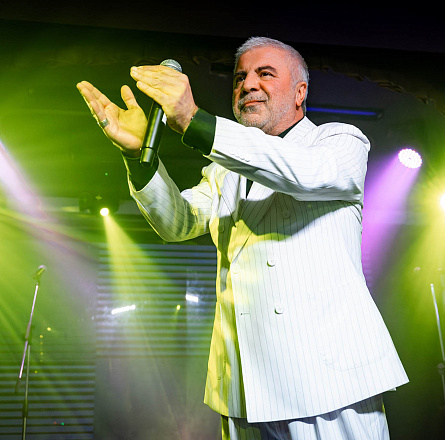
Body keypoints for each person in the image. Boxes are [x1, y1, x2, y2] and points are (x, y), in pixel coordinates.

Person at [77, 36, 408, 440]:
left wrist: (194, 120)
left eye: (265, 73)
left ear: (300, 92)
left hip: (327, 386)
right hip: (243, 389)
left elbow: (301, 172)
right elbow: (177, 222)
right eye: (239, 78)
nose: (248, 84)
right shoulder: (223, 170)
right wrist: (138, 159)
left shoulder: (339, 142)